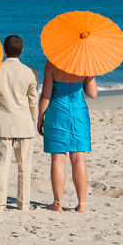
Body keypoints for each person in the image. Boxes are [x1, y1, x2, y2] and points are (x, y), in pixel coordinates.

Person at [0, 35, 38, 211]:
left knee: (1, 164)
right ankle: (24, 203)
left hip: (2, 122)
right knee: (25, 166)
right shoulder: (29, 72)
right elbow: (32, 102)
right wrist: (34, 122)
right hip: (24, 123)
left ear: (4, 50)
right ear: (21, 51)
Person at [38, 60, 97, 212]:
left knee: (58, 159)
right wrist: (90, 75)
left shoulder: (52, 64)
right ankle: (82, 204)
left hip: (57, 111)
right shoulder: (86, 65)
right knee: (79, 158)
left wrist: (40, 118)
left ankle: (58, 203)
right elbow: (93, 93)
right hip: (78, 113)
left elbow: (46, 95)